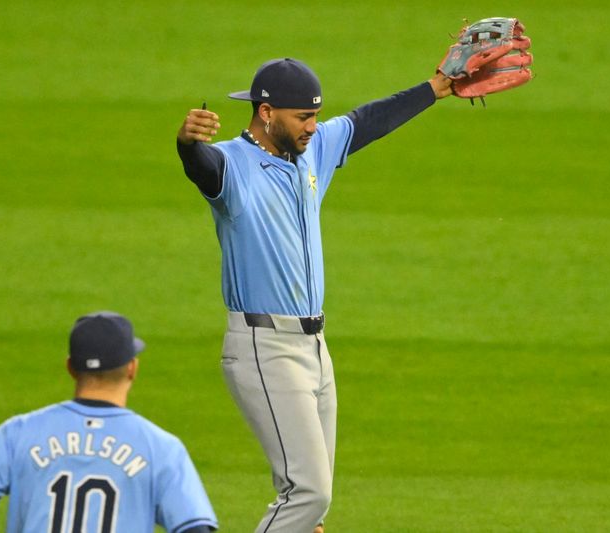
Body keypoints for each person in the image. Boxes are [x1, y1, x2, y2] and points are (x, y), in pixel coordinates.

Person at [175, 58, 452, 532]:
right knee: (308, 492)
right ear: (266, 113)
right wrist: (185, 144)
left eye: (315, 116)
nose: (312, 126)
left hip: (316, 349)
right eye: (302, 117)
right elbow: (202, 168)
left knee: (312, 511)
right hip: (265, 347)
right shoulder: (232, 167)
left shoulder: (311, 151)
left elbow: (368, 121)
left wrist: (435, 87)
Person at [0, 311, 219, 533]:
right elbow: (194, 528)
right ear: (132, 368)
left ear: (70, 368)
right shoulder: (161, 448)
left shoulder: (18, 432)